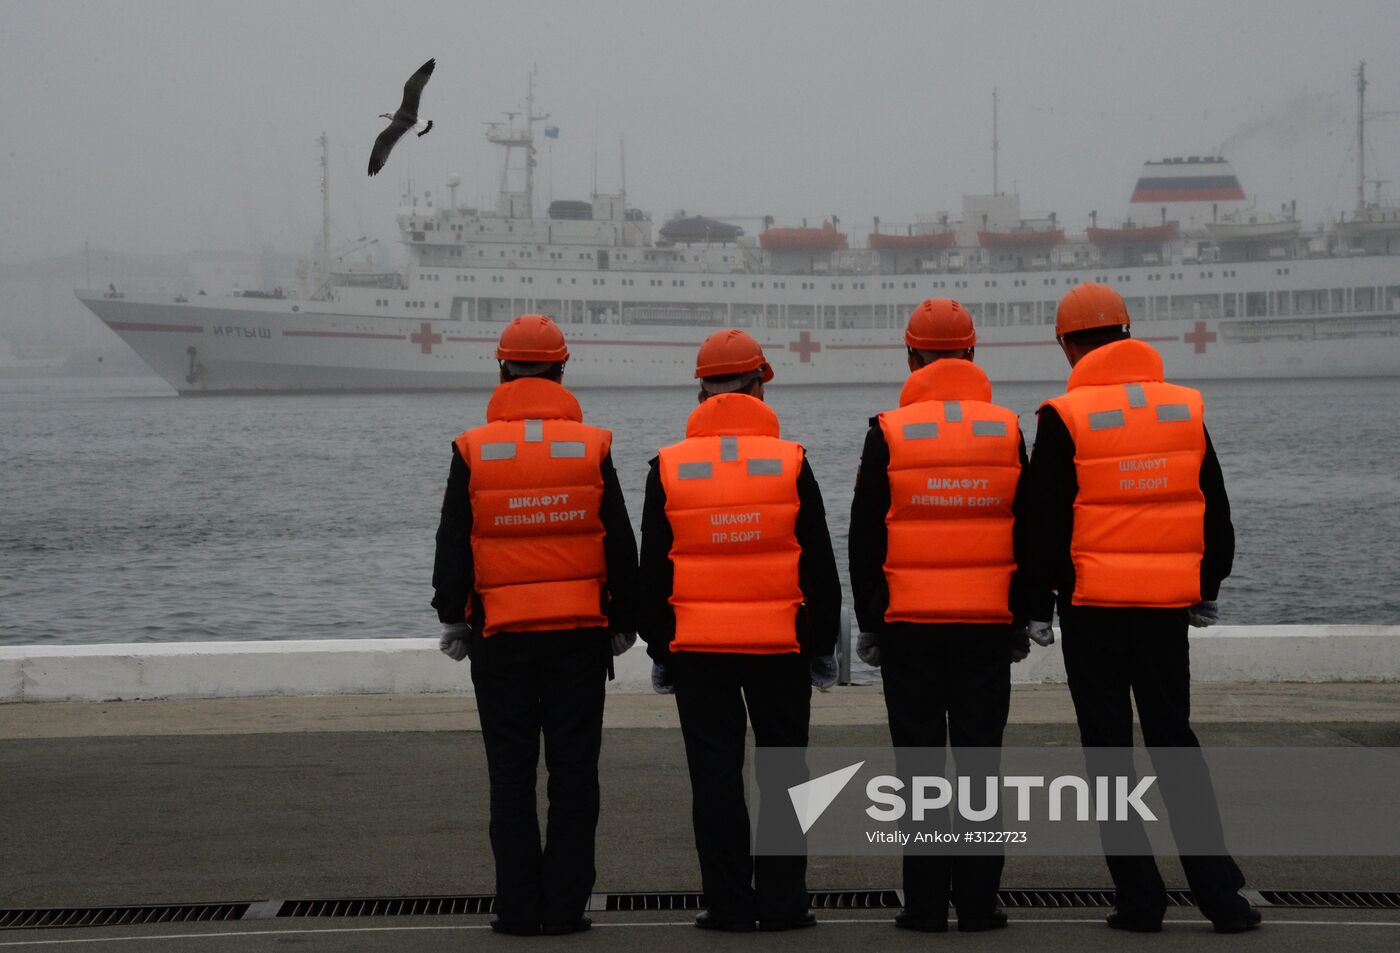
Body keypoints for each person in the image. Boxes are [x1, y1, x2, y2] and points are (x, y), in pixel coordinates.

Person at [1018, 282, 1260, 934]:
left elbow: (1041, 521)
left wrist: (1035, 604)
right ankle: (1221, 897)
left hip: (1092, 609)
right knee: (1175, 741)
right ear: (1128, 332)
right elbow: (1214, 503)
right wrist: (1207, 582)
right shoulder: (1182, 408)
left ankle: (1141, 898)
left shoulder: (1062, 416)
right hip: (1162, 609)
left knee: (1109, 752)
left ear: (1068, 344)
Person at [431, 314, 639, 937]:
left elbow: (453, 543)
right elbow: (619, 541)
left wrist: (453, 615)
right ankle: (567, 906)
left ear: (501, 370)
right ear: (561, 370)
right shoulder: (591, 444)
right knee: (575, 772)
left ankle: (519, 909)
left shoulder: (473, 448)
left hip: (501, 637)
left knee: (511, 774)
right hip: (579, 637)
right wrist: (624, 619)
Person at [638, 329, 842, 932]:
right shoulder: (790, 462)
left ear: (701, 389)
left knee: (715, 778)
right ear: (760, 385)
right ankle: (783, 904)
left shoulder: (668, 467)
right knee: (784, 774)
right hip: (780, 646)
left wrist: (660, 647)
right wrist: (821, 644)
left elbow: (653, 571)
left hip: (699, 649)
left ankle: (726, 905)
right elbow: (819, 563)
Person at [848, 298, 1030, 933]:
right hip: (985, 624)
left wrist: (871, 620)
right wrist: (1023, 616)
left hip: (911, 628)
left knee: (919, 767)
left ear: (911, 356)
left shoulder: (890, 431)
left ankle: (924, 905)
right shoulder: (1006, 428)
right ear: (973, 355)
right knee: (981, 763)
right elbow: (1025, 531)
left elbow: (866, 534)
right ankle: (979, 905)